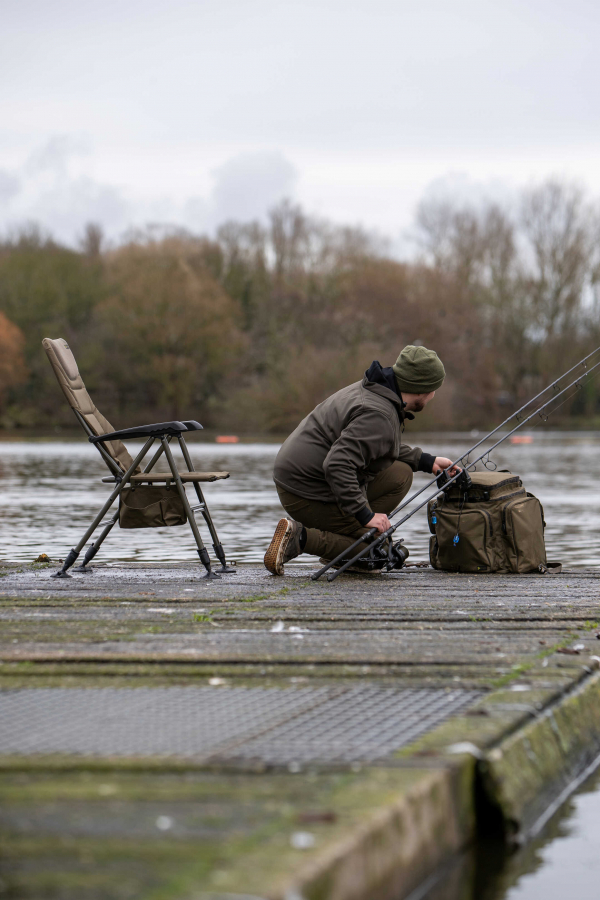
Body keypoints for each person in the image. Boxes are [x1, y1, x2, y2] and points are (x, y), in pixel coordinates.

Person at [264, 345, 460, 575]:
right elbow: (337, 465)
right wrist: (366, 515)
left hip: (304, 478)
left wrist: (427, 461)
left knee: (401, 474)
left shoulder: (377, 391)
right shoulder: (380, 414)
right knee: (376, 552)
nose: (434, 395)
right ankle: (300, 538)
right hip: (306, 492)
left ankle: (344, 541)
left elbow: (376, 444)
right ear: (422, 389)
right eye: (434, 389)